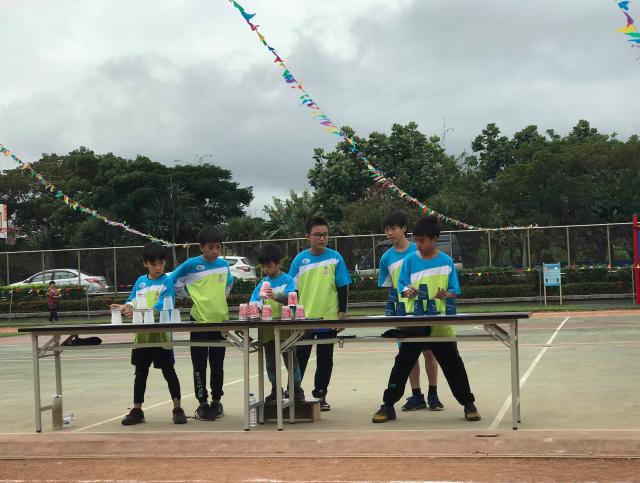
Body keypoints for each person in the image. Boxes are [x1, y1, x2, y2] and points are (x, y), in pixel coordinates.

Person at [372, 215, 481, 423]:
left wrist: (445, 295)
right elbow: (401, 286)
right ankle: (388, 404)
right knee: (402, 365)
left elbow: (454, 291)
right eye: (417, 240)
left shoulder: (446, 261)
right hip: (415, 323)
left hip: (440, 324)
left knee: (454, 366)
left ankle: (468, 403)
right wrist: (407, 292)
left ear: (435, 239)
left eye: (422, 241)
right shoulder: (410, 261)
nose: (418, 245)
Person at [110, 242, 187, 425]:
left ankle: (177, 408)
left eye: (161, 263)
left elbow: (163, 305)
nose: (158, 267)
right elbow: (132, 300)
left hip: (161, 336)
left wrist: (137, 311)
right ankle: (137, 410)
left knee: (169, 372)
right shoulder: (140, 281)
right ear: (146, 263)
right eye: (154, 264)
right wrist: (125, 307)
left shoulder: (167, 281)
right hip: (142, 336)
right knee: (140, 373)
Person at [378, 210, 444, 412]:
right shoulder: (386, 258)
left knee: (429, 352)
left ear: (404, 229)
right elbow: (391, 288)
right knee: (407, 355)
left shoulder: (419, 249)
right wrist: (393, 311)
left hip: (425, 310)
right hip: (403, 313)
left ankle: (433, 394)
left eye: (393, 228)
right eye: (386, 229)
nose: (390, 233)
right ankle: (416, 395)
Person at [169, 226, 232, 421]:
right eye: (210, 247)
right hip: (199, 321)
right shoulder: (191, 264)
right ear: (201, 247)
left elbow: (229, 283)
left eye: (218, 247)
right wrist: (186, 297)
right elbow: (172, 280)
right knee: (199, 364)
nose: (215, 251)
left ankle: (217, 401)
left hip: (220, 321)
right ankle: (202, 403)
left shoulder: (224, 265)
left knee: (218, 364)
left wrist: (221, 298)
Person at [289, 217, 352, 411]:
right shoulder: (299, 260)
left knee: (325, 359)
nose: (322, 238)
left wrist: (341, 313)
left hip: (328, 318)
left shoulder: (335, 258)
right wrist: (293, 315)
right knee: (299, 358)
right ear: (307, 236)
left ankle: (320, 394)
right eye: (317, 235)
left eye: (325, 234)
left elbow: (343, 287)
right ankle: (293, 392)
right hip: (304, 320)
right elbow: (292, 290)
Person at [250, 243, 304, 402]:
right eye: (263, 267)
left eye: (269, 266)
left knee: (291, 361)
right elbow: (254, 301)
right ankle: (275, 389)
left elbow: (292, 297)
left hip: (285, 329)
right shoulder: (262, 283)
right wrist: (255, 308)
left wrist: (276, 296)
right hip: (267, 330)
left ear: (278, 263)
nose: (266, 270)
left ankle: (296, 389)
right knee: (270, 363)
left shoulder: (288, 280)